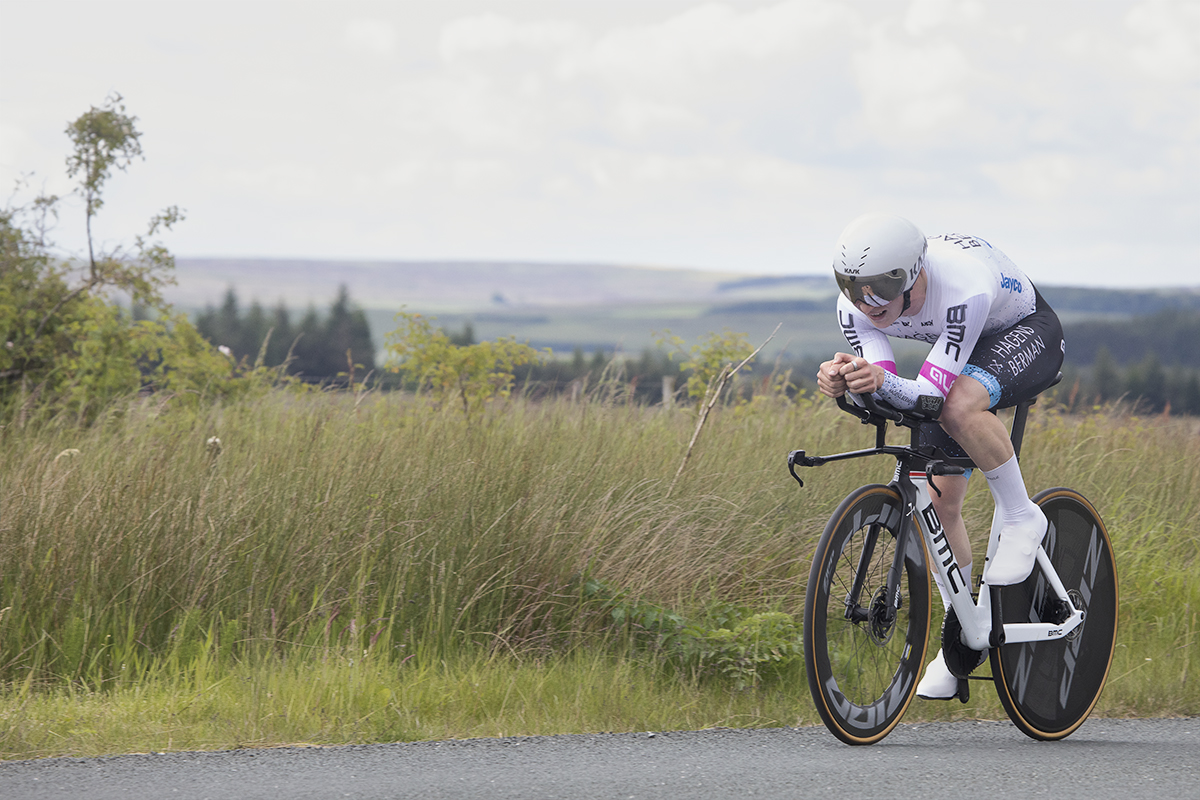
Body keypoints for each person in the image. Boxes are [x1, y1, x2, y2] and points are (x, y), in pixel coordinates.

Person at [815, 213, 1065, 699]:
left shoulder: (962, 286)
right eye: (852, 288)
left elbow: (930, 395)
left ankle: (1021, 515)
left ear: (910, 277)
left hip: (1026, 332)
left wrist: (883, 381)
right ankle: (963, 636)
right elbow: (888, 391)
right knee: (940, 498)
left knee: (958, 405)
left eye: (878, 291)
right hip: (964, 353)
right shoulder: (855, 309)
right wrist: (846, 380)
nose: (867, 304)